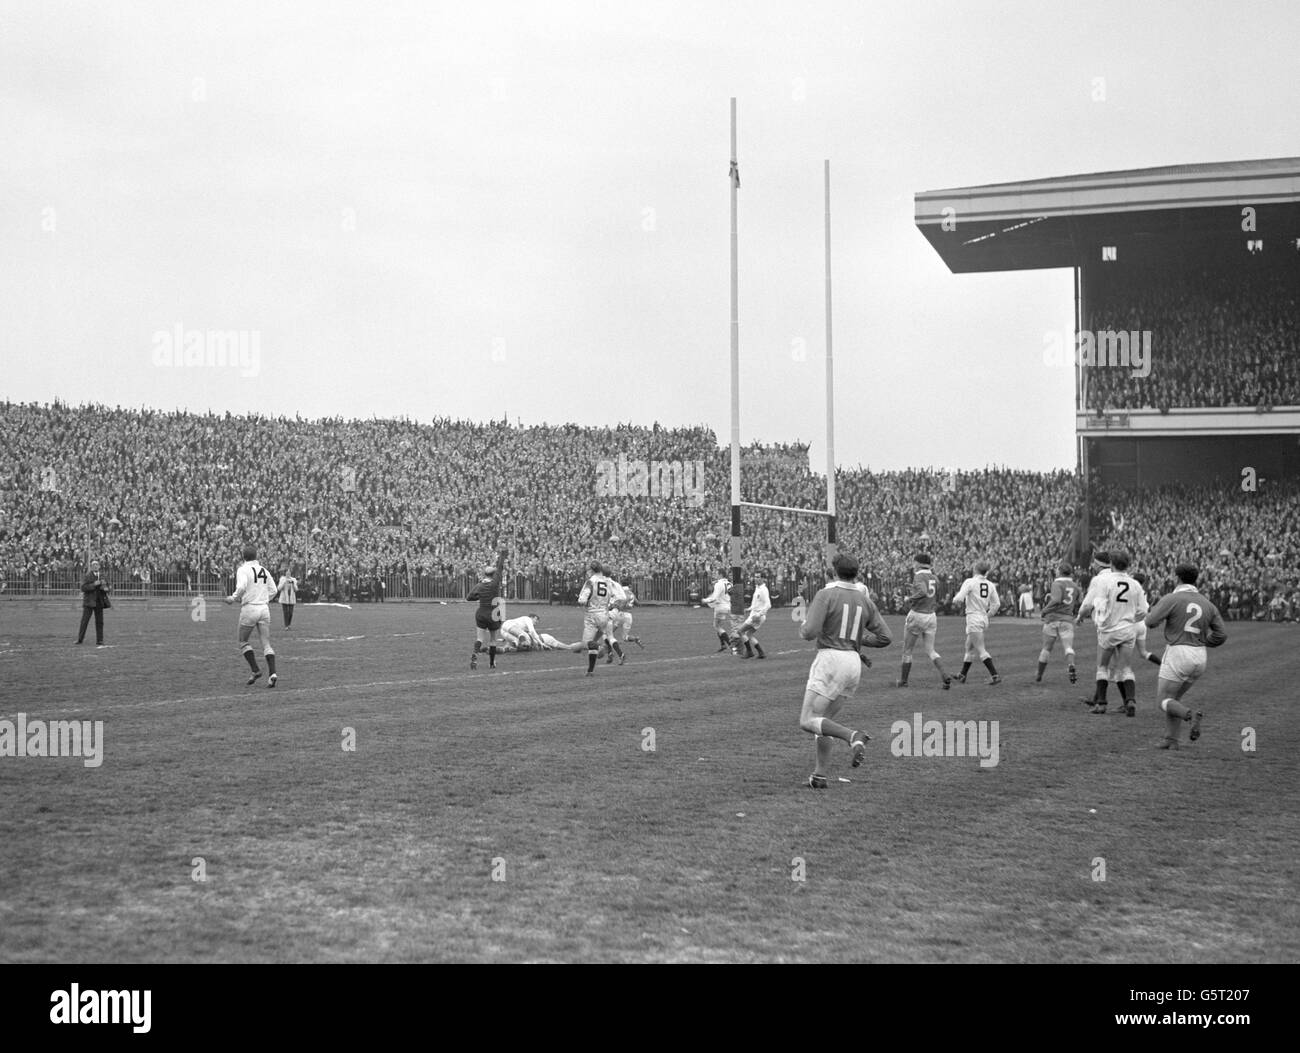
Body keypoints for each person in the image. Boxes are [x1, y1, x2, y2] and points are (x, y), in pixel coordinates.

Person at [796, 552, 892, 789]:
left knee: (807, 720)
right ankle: (819, 776)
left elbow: (809, 632)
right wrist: (857, 638)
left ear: (834, 570)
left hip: (831, 659)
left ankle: (853, 736)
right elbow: (885, 637)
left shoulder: (826, 594)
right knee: (823, 721)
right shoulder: (864, 599)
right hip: (853, 662)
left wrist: (803, 628)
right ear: (856, 573)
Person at [1144, 562, 1227, 749]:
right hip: (1200, 655)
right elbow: (1221, 634)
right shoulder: (1207, 603)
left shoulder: (1173, 598)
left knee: (1162, 701)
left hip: (1178, 653)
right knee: (1173, 699)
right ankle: (1171, 740)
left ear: (1177, 578)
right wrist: (1204, 641)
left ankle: (1190, 715)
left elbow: (1150, 621)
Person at [1078, 550, 1148, 715]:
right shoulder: (1135, 584)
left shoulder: (1105, 582)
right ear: (1127, 565)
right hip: (1128, 630)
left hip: (1109, 630)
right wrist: (1130, 619)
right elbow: (1143, 611)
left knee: (1102, 667)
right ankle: (1130, 700)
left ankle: (1101, 703)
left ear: (1113, 564)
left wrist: (1102, 622)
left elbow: (1099, 605)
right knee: (1125, 668)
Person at [223, 544, 282, 687]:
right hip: (264, 608)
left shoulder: (243, 569)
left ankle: (255, 670)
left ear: (243, 557)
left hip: (249, 608)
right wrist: (263, 598)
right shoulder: (264, 570)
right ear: (256, 556)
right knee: (266, 643)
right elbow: (274, 590)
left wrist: (233, 597)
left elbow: (242, 586)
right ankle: (272, 673)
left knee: (243, 641)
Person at [897, 553, 951, 688]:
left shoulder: (919, 575)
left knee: (907, 650)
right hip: (931, 616)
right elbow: (932, 592)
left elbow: (923, 592)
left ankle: (903, 681)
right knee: (931, 650)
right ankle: (944, 674)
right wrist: (913, 588)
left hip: (917, 615)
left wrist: (909, 599)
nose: (913, 565)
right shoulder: (934, 577)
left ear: (919, 563)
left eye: (914, 562)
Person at [951, 560, 1001, 684]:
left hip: (973, 617)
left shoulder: (970, 582)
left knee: (981, 649)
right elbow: (996, 604)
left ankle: (995, 675)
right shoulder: (990, 584)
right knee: (968, 646)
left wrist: (954, 600)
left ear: (975, 570)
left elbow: (959, 598)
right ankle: (963, 674)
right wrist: (987, 615)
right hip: (983, 617)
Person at [1036, 562, 1079, 683]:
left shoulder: (1057, 583)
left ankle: (1039, 675)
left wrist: (1045, 610)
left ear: (1060, 571)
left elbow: (1056, 600)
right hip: (1067, 619)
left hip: (1052, 619)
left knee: (1046, 648)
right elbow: (1078, 599)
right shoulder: (1075, 586)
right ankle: (1071, 665)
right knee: (1068, 647)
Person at [576, 561, 621, 676]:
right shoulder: (608, 582)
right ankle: (590, 671)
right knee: (597, 639)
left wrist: (583, 601)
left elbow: (582, 600)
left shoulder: (590, 581)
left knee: (587, 644)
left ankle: (602, 648)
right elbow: (617, 597)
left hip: (592, 615)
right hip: (605, 615)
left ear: (592, 570)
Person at [466, 559, 505, 670]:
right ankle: (492, 663)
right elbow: (500, 569)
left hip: (481, 613)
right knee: (493, 639)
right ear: (493, 575)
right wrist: (503, 555)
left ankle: (475, 655)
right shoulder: (494, 583)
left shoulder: (479, 585)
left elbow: (469, 597)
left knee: (479, 638)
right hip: (493, 613)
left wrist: (480, 596)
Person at [733, 572, 771, 659]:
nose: (755, 578)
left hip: (756, 616)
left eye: (758, 577)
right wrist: (749, 609)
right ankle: (761, 653)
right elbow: (756, 604)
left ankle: (749, 652)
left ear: (763, 579)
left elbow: (768, 605)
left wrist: (758, 614)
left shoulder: (763, 590)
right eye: (755, 576)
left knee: (740, 631)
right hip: (756, 615)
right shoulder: (758, 588)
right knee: (749, 634)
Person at [76, 560, 111, 647]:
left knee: (100, 622)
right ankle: (80, 639)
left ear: (99, 566)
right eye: (94, 565)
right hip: (89, 602)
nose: (95, 566)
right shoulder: (87, 576)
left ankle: (100, 640)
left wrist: (106, 588)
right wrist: (94, 584)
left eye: (97, 565)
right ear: (91, 567)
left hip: (99, 602)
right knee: (84, 621)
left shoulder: (103, 576)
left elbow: (109, 586)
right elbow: (83, 587)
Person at [703, 573, 734, 651]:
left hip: (720, 607)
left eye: (717, 573)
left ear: (720, 574)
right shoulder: (730, 583)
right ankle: (723, 645)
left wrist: (705, 600)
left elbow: (714, 597)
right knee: (718, 625)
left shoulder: (719, 584)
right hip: (727, 606)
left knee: (717, 626)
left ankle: (731, 645)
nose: (716, 575)